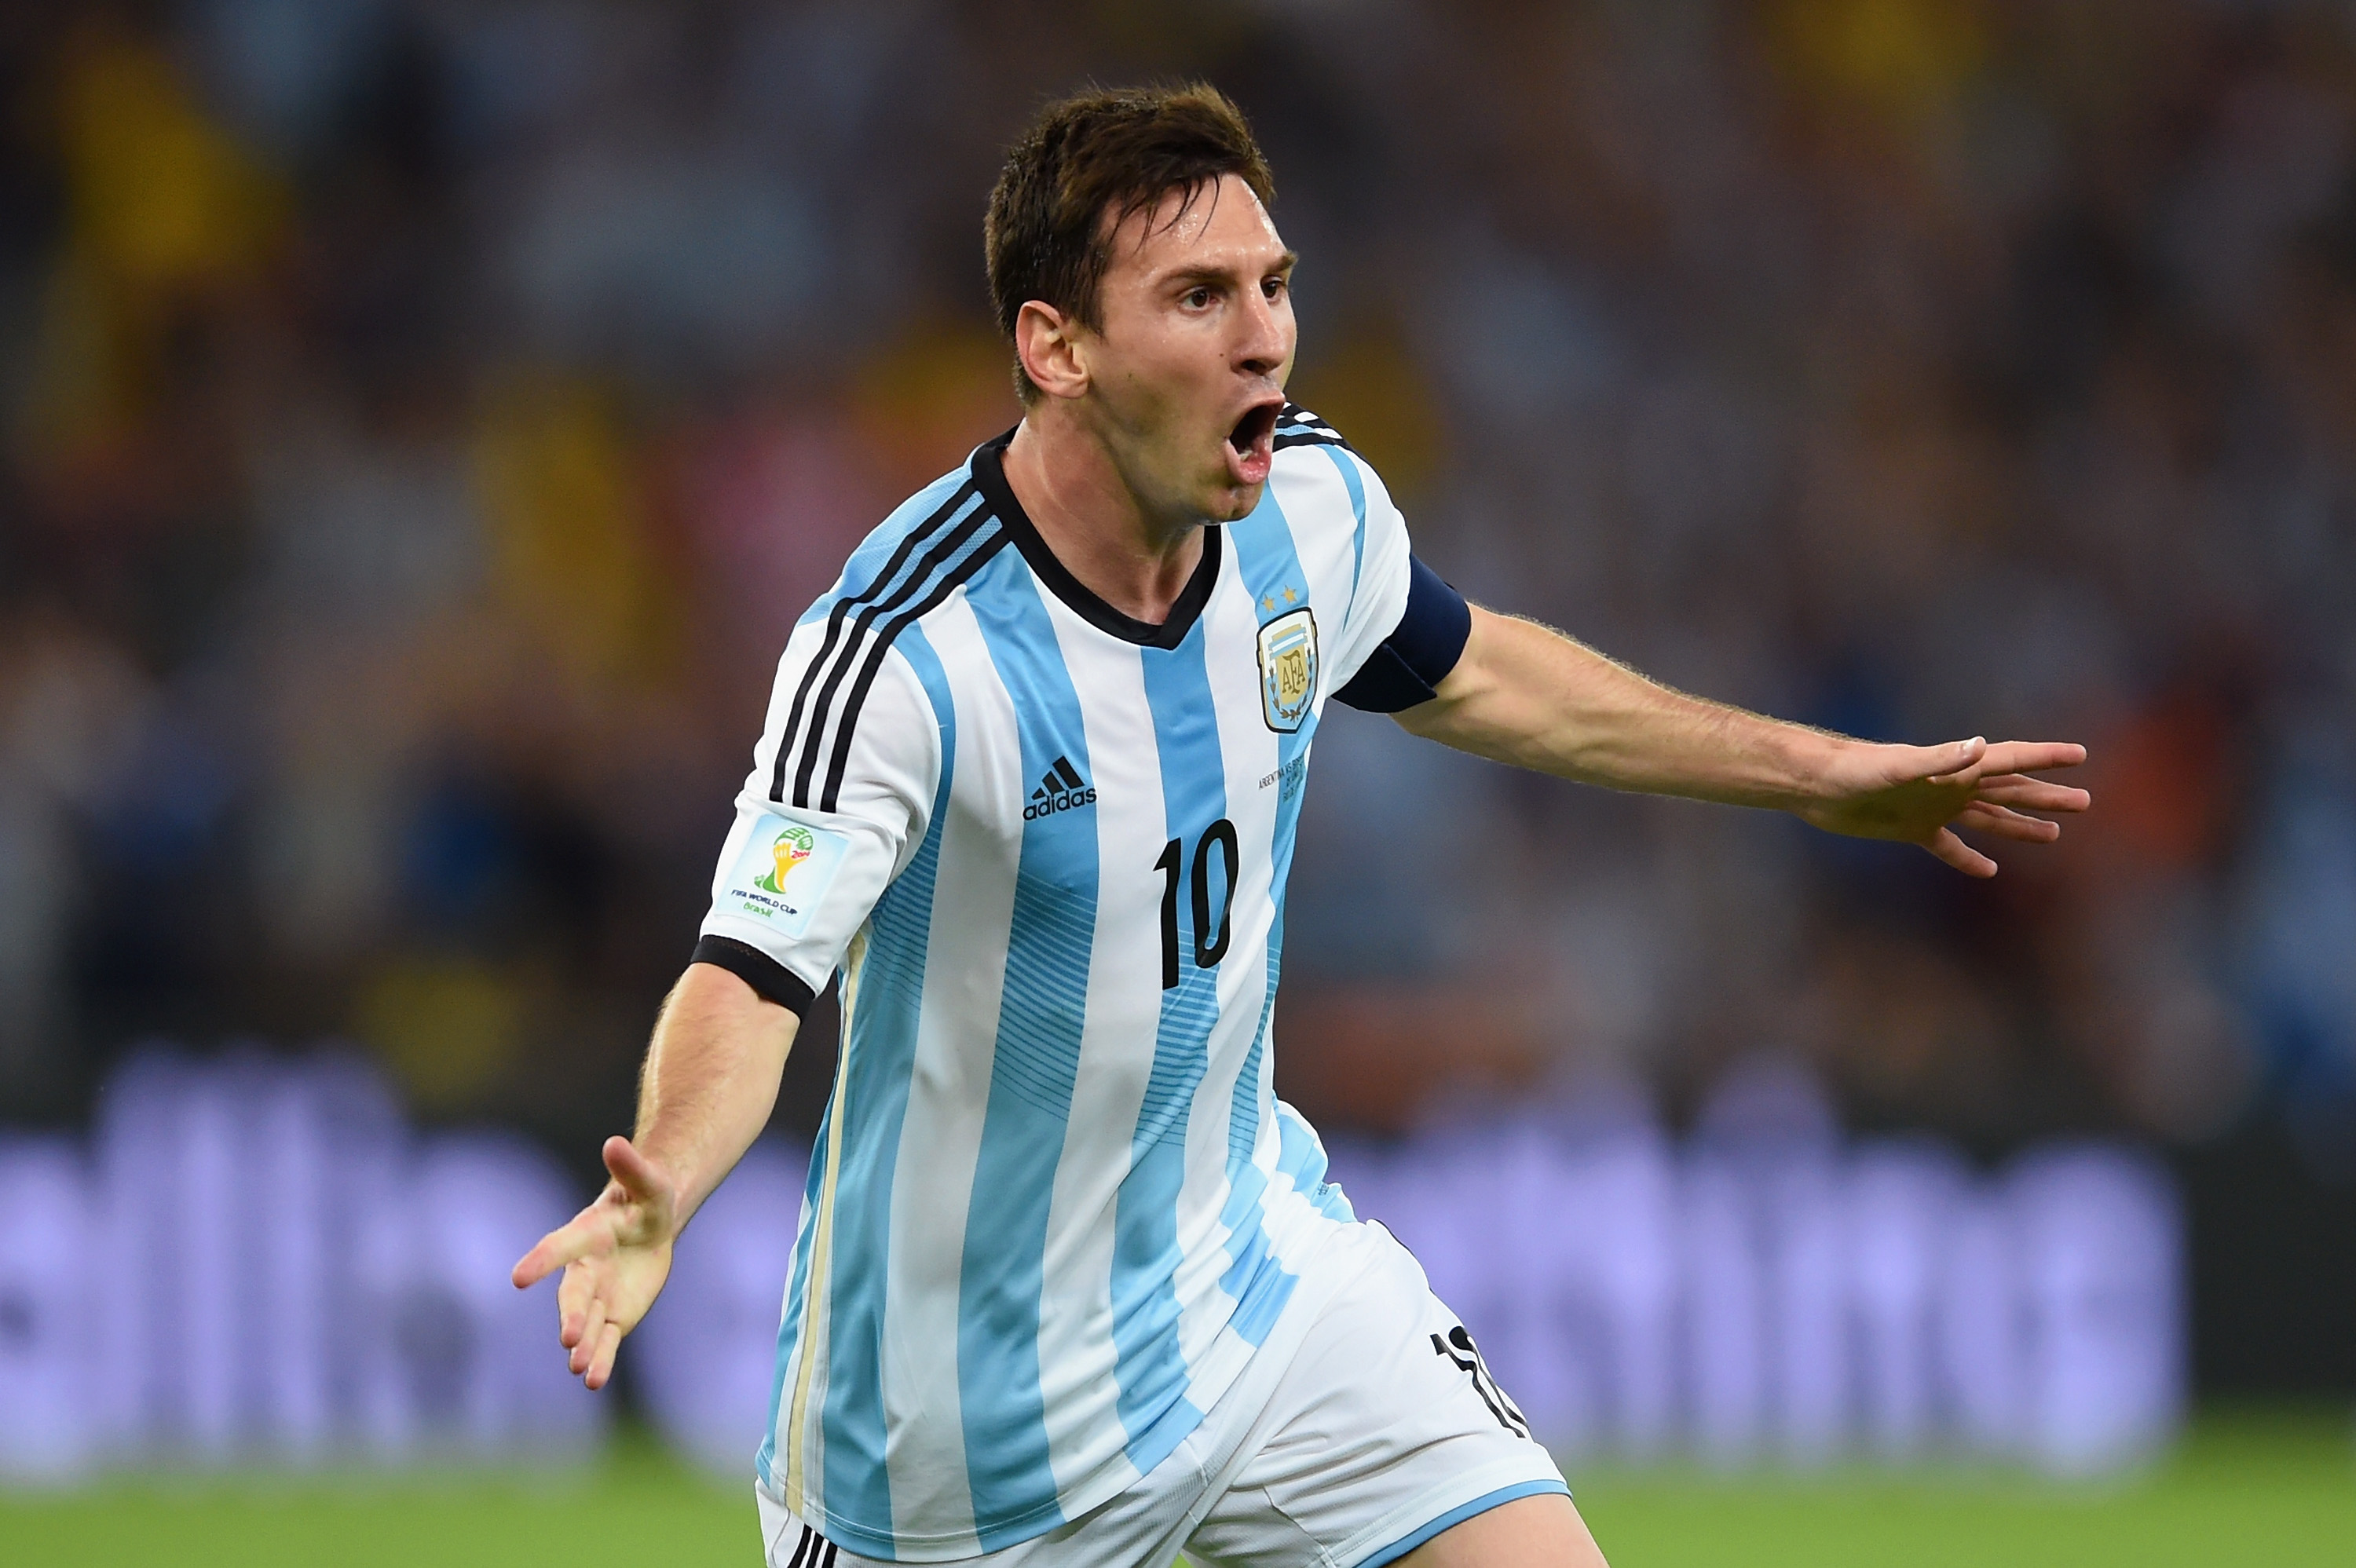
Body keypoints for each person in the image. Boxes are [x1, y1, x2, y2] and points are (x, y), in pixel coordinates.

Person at [514, 84, 2089, 1568]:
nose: (1264, 334)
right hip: (957, 1449)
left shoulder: (1311, 512)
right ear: (1057, 347)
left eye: (1273, 285)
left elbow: (1486, 676)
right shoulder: (902, 652)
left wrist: (1820, 777)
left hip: (1259, 1296)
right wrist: (668, 1183)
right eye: (1199, 297)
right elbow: (752, 971)